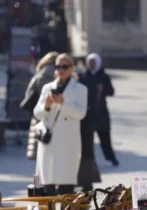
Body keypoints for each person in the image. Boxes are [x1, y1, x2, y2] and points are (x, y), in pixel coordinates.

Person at [33, 54, 87, 195]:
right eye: (58, 67)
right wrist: (47, 105)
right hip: (49, 141)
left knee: (66, 185)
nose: (61, 70)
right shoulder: (47, 88)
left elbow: (81, 114)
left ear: (71, 68)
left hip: (68, 141)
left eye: (64, 66)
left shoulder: (80, 89)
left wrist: (64, 103)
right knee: (47, 184)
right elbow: (37, 113)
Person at [80, 53, 118, 167]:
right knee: (87, 140)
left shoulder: (104, 77)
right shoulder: (83, 77)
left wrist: (102, 89)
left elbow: (111, 92)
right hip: (87, 113)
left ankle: (111, 158)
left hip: (101, 112)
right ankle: (89, 161)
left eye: (94, 63)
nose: (92, 65)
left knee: (105, 137)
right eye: (90, 63)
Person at [22, 51, 59, 160]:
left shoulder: (39, 76)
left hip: (40, 113)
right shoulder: (61, 77)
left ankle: (38, 176)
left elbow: (29, 93)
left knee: (39, 150)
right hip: (57, 115)